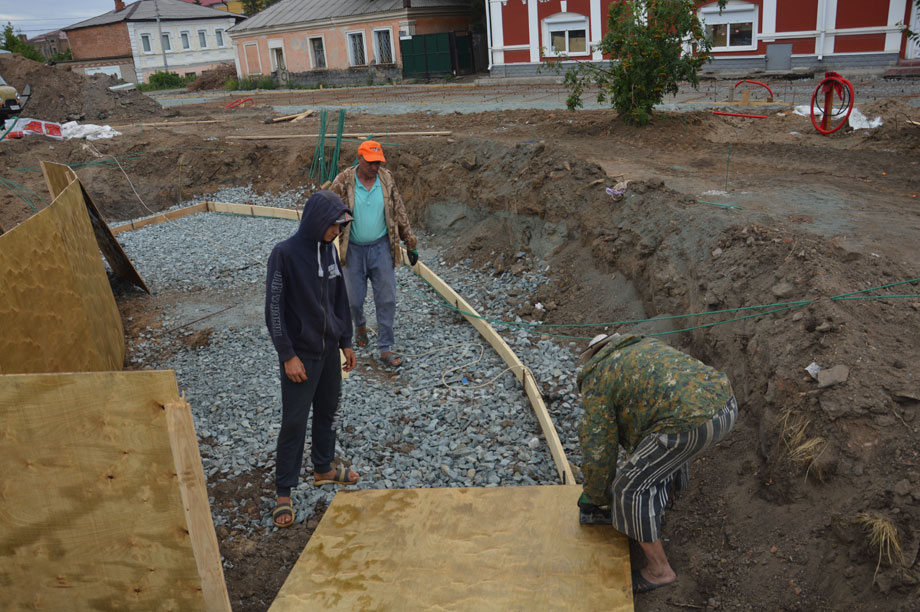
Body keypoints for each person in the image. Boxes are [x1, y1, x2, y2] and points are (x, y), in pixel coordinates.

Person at [576, 332, 738, 594]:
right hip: (726, 404)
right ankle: (664, 504)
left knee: (628, 489)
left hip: (692, 424)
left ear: (591, 358)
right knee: (659, 448)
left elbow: (599, 449)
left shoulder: (598, 376)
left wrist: (594, 496)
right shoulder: (643, 345)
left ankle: (659, 570)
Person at [265, 190, 359, 528]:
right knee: (294, 421)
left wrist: (346, 341)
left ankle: (323, 468)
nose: (337, 232)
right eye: (334, 226)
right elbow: (273, 310)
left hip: (329, 351)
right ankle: (283, 491)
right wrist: (287, 355)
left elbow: (339, 300)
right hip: (300, 356)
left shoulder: (330, 252)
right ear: (318, 221)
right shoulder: (285, 254)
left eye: (339, 227)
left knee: (329, 411)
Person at [329, 140, 419, 368]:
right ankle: (359, 326)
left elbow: (399, 210)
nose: (374, 167)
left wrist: (410, 242)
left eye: (378, 162)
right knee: (354, 300)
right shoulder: (344, 181)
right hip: (353, 250)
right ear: (359, 159)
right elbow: (327, 207)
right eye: (370, 162)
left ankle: (385, 347)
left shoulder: (386, 179)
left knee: (387, 298)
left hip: (381, 248)